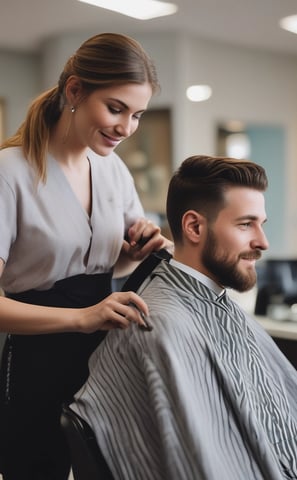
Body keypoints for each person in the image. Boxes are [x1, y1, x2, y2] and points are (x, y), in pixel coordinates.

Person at [0, 32, 173, 480]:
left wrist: (135, 252)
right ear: (74, 91)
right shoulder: (10, 174)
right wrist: (83, 317)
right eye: (115, 109)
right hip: (37, 365)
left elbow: (107, 266)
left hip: (104, 358)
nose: (126, 128)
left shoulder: (113, 170)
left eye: (136, 115)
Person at [73, 155, 297, 480]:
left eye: (262, 224)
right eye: (245, 224)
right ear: (194, 227)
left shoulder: (215, 304)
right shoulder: (160, 325)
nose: (263, 242)